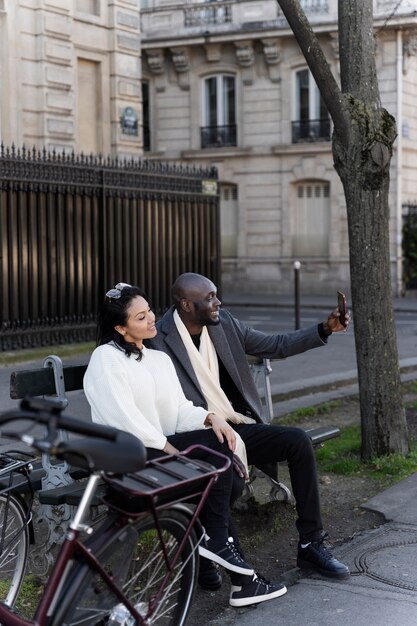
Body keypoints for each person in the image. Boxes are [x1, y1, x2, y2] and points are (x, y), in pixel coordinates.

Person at [83, 282, 287, 608]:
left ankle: (222, 560)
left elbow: (178, 411)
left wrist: (211, 419)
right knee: (215, 460)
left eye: (149, 311)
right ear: (121, 327)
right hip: (130, 458)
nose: (152, 319)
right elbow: (124, 421)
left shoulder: (157, 359)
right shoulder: (106, 359)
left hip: (162, 451)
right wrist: (169, 449)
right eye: (140, 317)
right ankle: (231, 568)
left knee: (223, 454)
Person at [146, 272, 351, 589]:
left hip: (235, 425)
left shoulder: (223, 323)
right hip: (194, 433)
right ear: (186, 304)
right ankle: (241, 577)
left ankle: (311, 544)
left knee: (297, 442)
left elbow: (274, 345)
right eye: (210, 297)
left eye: (216, 295)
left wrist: (324, 329)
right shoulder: (158, 339)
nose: (218, 302)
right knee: (226, 475)